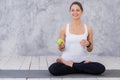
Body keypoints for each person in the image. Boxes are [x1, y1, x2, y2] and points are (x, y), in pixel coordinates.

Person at [49, 1, 105, 76]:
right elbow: (61, 48)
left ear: (82, 11)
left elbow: (90, 49)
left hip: (82, 62)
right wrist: (61, 46)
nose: (75, 12)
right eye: (73, 10)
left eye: (77, 10)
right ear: (70, 12)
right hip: (66, 61)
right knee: (53, 69)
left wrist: (88, 44)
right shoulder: (64, 28)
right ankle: (80, 68)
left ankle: (73, 66)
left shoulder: (88, 29)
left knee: (101, 68)